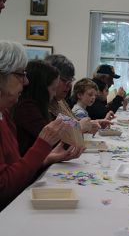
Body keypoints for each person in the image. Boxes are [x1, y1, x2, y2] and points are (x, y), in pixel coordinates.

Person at [0, 41, 83, 211]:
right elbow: (4, 188)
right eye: (20, 74)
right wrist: (42, 145)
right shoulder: (23, 108)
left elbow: (17, 168)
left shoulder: (5, 114)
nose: (25, 81)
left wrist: (48, 158)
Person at [14, 59, 60, 155]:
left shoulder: (34, 106)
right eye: (53, 89)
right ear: (41, 89)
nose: (55, 94)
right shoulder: (26, 108)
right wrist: (78, 129)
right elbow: (54, 140)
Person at [44, 54, 100, 134]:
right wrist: (79, 128)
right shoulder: (45, 107)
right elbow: (52, 136)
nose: (69, 85)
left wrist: (92, 123)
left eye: (70, 80)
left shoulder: (60, 101)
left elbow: (72, 121)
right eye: (64, 80)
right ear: (50, 79)